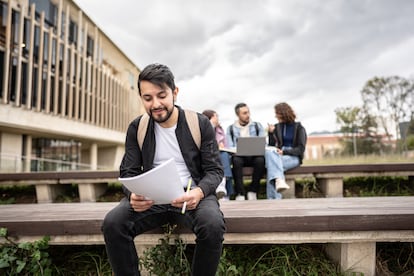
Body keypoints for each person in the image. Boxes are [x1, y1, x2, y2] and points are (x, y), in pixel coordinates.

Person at [102, 63, 226, 276]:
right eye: (148, 98)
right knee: (113, 224)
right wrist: (132, 195)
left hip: (192, 196)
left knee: (212, 226)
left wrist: (199, 192)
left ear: (174, 92)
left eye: (161, 95)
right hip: (152, 200)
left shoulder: (200, 123)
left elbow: (214, 170)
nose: (156, 104)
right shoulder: (137, 127)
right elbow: (128, 171)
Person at [265, 102, 307, 199]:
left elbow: (301, 149)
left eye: (277, 113)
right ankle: (279, 181)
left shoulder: (299, 128)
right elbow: (272, 146)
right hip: (278, 155)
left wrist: (285, 152)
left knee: (272, 167)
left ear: (283, 113)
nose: (275, 116)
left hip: (293, 157)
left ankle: (272, 200)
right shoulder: (277, 127)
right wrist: (271, 133)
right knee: (270, 155)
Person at [226, 103, 266, 200]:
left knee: (260, 160)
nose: (247, 115)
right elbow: (230, 146)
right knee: (236, 160)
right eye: (244, 113)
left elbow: (263, 142)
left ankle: (253, 191)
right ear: (238, 115)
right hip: (239, 156)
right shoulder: (231, 129)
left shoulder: (257, 126)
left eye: (248, 112)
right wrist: (237, 150)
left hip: (254, 156)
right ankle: (240, 193)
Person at [202, 109, 234, 200]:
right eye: (216, 116)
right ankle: (221, 185)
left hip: (221, 154)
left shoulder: (220, 130)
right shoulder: (203, 127)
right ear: (211, 117)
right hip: (208, 154)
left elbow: (226, 145)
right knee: (222, 156)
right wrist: (210, 124)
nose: (218, 118)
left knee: (224, 155)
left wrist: (222, 146)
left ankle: (223, 188)